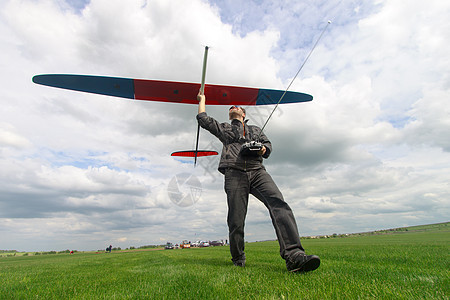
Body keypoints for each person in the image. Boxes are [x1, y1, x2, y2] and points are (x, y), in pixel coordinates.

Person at [196, 93, 320, 273]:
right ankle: (238, 258)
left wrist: (263, 149)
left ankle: (294, 256)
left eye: (237, 106)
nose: (233, 107)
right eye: (231, 107)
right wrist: (202, 101)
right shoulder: (224, 129)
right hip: (234, 173)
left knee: (279, 204)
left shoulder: (255, 129)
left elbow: (268, 145)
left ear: (244, 114)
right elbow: (203, 119)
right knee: (236, 220)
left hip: (257, 171)